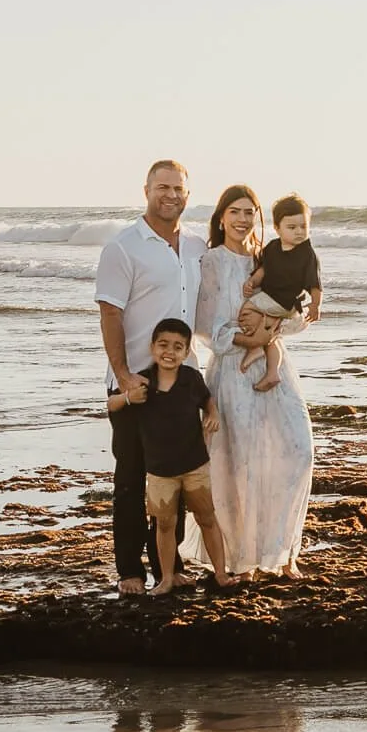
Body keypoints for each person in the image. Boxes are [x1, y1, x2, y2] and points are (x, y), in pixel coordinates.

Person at [96, 160, 206, 595]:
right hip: (136, 383)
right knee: (132, 479)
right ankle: (129, 571)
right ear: (146, 190)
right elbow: (110, 312)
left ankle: (170, 565)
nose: (170, 195)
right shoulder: (123, 246)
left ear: (187, 195)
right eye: (162, 187)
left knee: (174, 480)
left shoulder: (198, 247)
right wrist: (123, 376)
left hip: (180, 382)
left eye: (178, 188)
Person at [194, 185, 315, 578]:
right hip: (233, 372)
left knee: (297, 452)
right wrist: (251, 339)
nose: (244, 219)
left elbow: (296, 313)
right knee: (240, 464)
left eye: (251, 212)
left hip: (274, 367)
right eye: (236, 211)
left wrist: (277, 329)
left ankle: (283, 552)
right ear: (222, 217)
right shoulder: (209, 262)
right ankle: (242, 559)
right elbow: (207, 328)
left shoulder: (272, 256)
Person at [107, 318, 229, 596]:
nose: (169, 352)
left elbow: (206, 399)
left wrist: (213, 413)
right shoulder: (143, 382)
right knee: (165, 524)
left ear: (187, 352)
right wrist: (128, 397)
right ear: (152, 347)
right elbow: (111, 404)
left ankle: (221, 575)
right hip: (160, 472)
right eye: (163, 345)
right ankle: (165, 579)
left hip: (195, 466)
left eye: (178, 347)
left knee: (207, 517)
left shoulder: (190, 379)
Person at [239, 195, 322, 393]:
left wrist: (316, 305)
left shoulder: (307, 254)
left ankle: (255, 347)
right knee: (272, 335)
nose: (299, 232)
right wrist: (253, 281)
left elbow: (315, 284)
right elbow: (263, 270)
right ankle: (272, 372)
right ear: (277, 228)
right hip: (273, 299)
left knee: (247, 309)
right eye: (292, 227)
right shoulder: (273, 248)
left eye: (304, 226)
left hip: (285, 302)